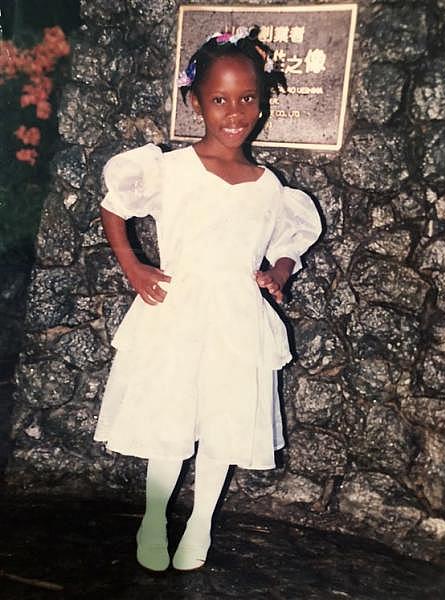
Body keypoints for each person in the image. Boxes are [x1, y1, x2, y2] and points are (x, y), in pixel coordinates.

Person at [93, 26, 322, 572]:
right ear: (196, 102)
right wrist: (132, 264)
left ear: (262, 103)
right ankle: (154, 518)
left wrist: (280, 271)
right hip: (177, 313)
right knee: (170, 425)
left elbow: (289, 240)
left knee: (224, 424)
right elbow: (114, 205)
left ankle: (200, 524)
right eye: (220, 99)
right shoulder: (169, 169)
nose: (235, 111)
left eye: (247, 98)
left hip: (237, 318)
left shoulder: (269, 185)